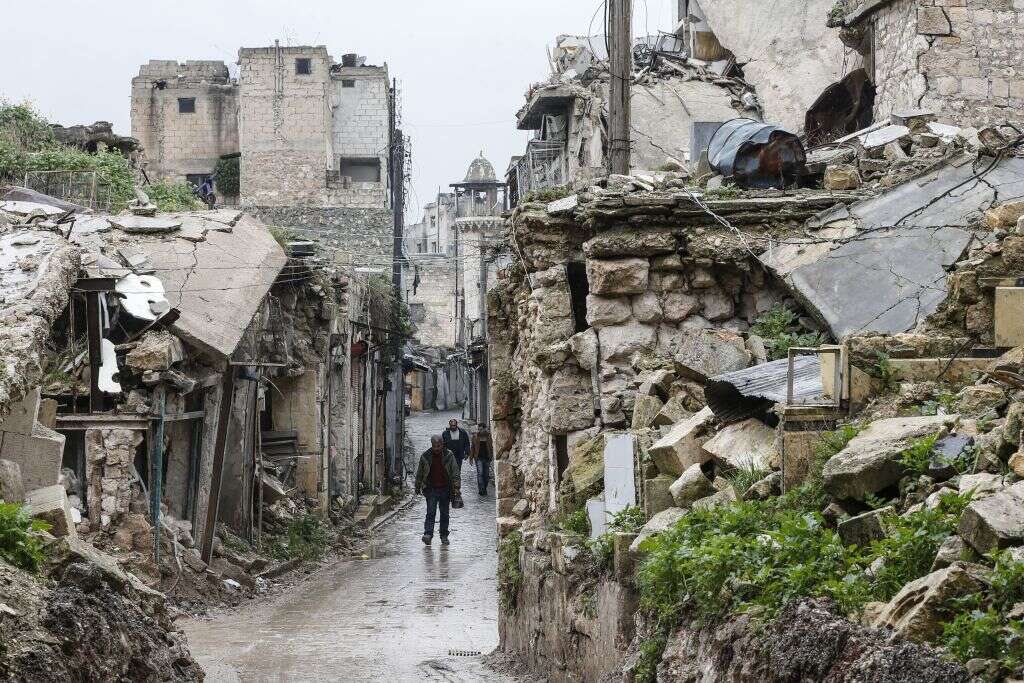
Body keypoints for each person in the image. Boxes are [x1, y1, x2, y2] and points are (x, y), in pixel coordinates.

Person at [414, 435, 461, 546]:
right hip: (431, 488)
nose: (436, 448)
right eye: (434, 446)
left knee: (444, 513)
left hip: (445, 488)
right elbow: (420, 472)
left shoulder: (449, 455)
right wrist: (417, 486)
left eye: (438, 446)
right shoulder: (425, 456)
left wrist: (456, 487)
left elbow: (455, 472)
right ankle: (428, 534)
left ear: (442, 444)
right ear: (432, 445)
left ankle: (444, 535)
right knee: (431, 512)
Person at [470, 428, 493, 496]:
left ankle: (484, 488)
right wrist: (471, 458)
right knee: (480, 473)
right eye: (479, 429)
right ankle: (481, 489)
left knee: (486, 475)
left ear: (485, 429)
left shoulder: (489, 436)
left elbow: (492, 447)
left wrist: (491, 456)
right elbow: (472, 448)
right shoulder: (475, 437)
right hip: (478, 458)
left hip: (487, 458)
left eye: (481, 429)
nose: (480, 431)